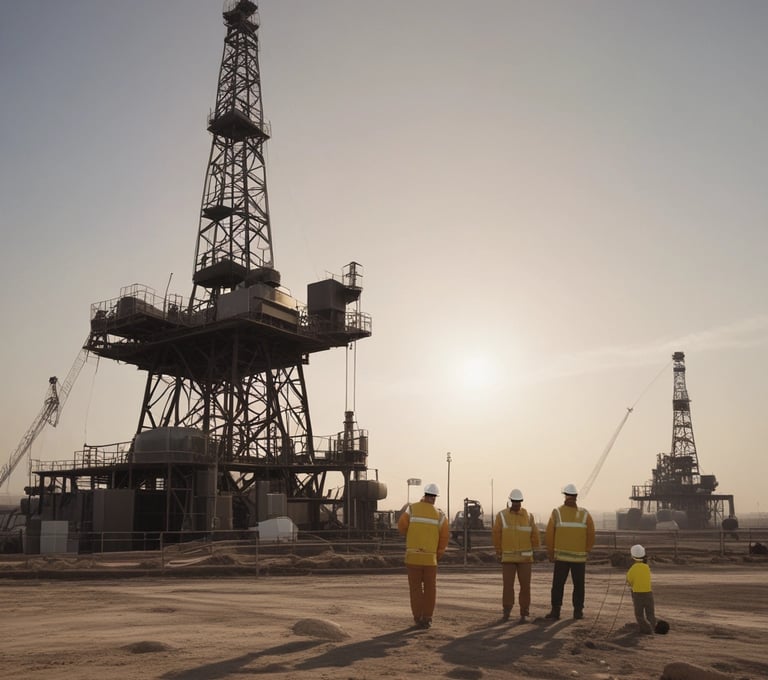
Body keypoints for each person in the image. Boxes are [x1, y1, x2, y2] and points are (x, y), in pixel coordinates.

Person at [397, 482, 450, 629]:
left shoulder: (412, 509)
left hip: (413, 558)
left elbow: (401, 527)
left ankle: (417, 617)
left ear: (424, 495)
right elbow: (444, 537)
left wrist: (412, 534)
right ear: (434, 497)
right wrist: (438, 554)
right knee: (430, 589)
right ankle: (427, 618)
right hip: (430, 560)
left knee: (415, 589)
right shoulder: (440, 515)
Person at [544, 483, 595, 620]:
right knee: (579, 585)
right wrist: (586, 550)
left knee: (558, 585)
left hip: (561, 558)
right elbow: (591, 534)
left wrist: (551, 553)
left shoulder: (557, 512)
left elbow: (549, 535)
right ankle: (578, 612)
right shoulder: (584, 514)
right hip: (579, 558)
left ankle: (555, 611)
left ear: (565, 496)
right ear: (576, 496)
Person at [492, 488, 541, 622]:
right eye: (514, 501)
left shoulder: (528, 516)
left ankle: (523, 612)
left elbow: (535, 535)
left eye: (518, 502)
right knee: (509, 586)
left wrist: (535, 550)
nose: (516, 504)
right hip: (510, 558)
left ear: (521, 501)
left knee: (524, 587)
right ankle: (507, 611)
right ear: (511, 501)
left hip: (524, 559)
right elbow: (497, 535)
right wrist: (499, 552)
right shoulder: (502, 516)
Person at [626, 544, 657, 634]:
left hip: (637, 594)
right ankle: (653, 627)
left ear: (632, 556)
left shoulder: (632, 569)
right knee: (650, 614)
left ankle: (646, 629)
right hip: (648, 594)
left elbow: (629, 581)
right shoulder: (646, 567)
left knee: (639, 615)